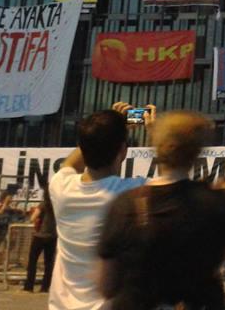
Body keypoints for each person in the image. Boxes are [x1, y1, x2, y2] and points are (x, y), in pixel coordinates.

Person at [97, 110, 225, 310]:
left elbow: (105, 285)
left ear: (157, 150)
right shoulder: (216, 204)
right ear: (196, 153)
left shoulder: (125, 203)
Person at [49, 101, 154, 310]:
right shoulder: (132, 193)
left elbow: (69, 163)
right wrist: (153, 132)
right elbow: (175, 183)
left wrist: (103, 127)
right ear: (123, 151)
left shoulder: (61, 186)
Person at [23, 185, 57, 292]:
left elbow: (33, 218)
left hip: (40, 235)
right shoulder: (58, 205)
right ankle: (45, 287)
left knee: (33, 261)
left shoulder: (43, 204)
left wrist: (33, 220)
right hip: (52, 236)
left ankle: (29, 286)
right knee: (49, 263)